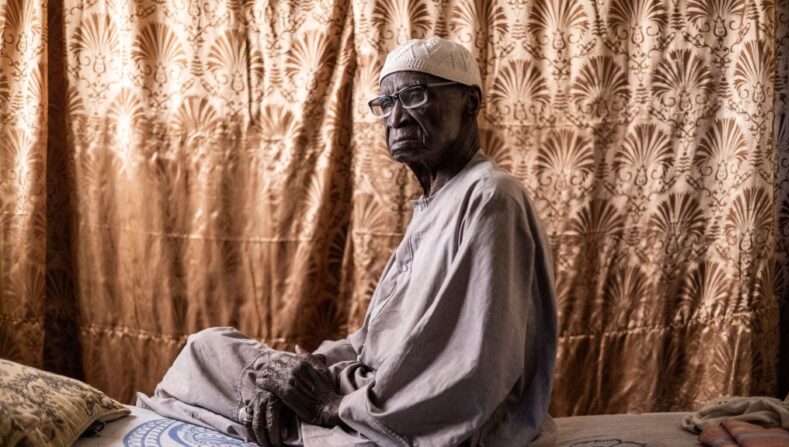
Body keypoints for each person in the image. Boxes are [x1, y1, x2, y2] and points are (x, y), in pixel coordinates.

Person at [138, 36, 558, 447]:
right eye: (386, 104)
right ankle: (276, 406)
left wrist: (330, 405)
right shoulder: (436, 203)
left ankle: (292, 420)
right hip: (367, 388)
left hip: (413, 411)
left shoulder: (491, 196)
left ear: (470, 102)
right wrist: (298, 368)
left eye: (414, 96)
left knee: (231, 376)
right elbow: (371, 343)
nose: (395, 118)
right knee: (206, 346)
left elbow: (474, 370)